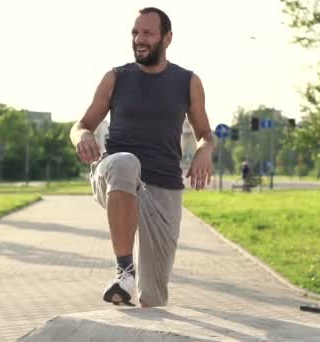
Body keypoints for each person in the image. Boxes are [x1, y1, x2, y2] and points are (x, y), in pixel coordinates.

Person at [69, 7, 214, 308]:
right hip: (115, 174)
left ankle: (128, 295)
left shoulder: (187, 82)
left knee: (154, 299)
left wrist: (204, 151)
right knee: (126, 162)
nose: (139, 39)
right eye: (135, 33)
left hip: (163, 187)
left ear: (167, 38)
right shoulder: (115, 78)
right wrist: (82, 136)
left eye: (147, 33)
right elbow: (82, 125)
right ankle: (124, 270)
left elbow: (205, 134)